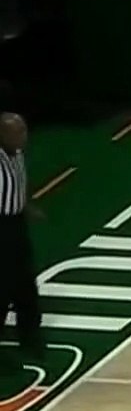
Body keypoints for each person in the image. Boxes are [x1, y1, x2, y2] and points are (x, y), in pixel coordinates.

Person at [0, 113, 41, 363]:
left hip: (17, 225)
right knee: (2, 287)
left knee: (26, 283)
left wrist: (25, 205)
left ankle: (30, 336)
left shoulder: (18, 153)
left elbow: (18, 182)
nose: (24, 137)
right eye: (18, 133)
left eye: (24, 130)